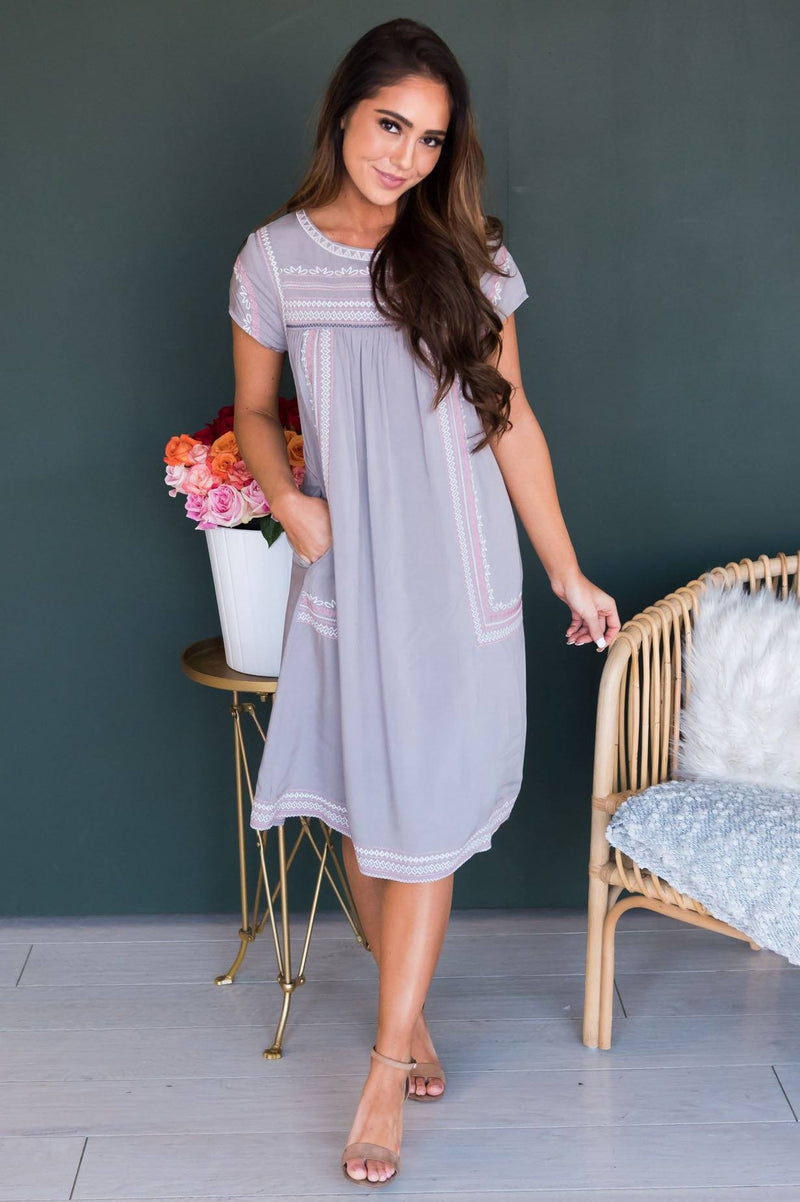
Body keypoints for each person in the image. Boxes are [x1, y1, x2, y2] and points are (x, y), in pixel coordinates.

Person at [229, 16, 620, 1188]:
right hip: (346, 572)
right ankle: (408, 1014)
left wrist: (563, 568)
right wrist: (285, 499)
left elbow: (511, 419)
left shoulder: (468, 256)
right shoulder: (273, 259)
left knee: (429, 818)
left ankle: (385, 1059)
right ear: (343, 112)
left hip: (457, 576)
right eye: (388, 125)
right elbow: (252, 410)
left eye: (428, 139)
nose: (402, 156)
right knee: (366, 812)